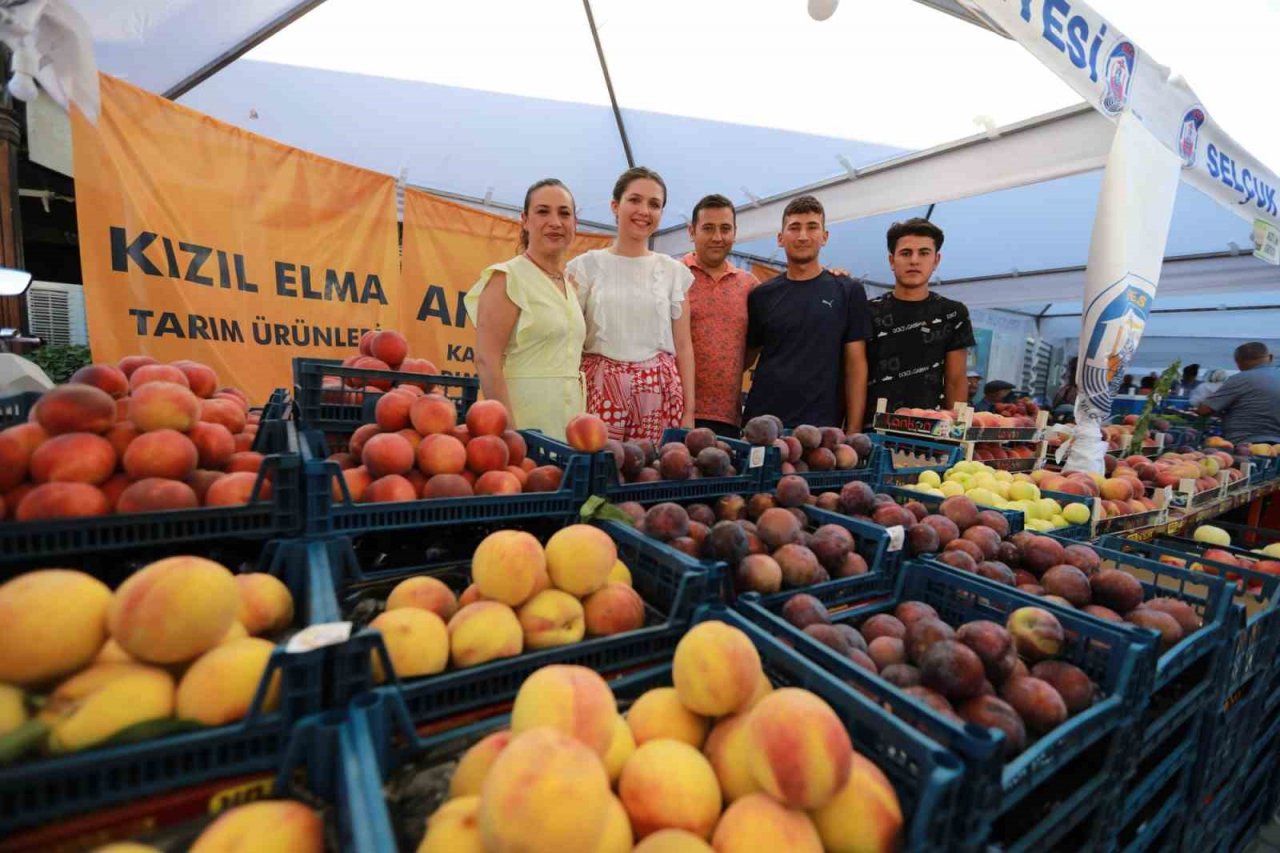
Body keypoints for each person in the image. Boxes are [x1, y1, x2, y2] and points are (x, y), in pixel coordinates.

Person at [567, 166, 695, 443]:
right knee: (598, 477)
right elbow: (571, 340)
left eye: (654, 204)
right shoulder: (584, 267)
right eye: (634, 200)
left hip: (659, 396)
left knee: (649, 478)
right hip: (597, 393)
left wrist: (689, 413)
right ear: (615, 205)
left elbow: (684, 345)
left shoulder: (674, 272)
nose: (644, 211)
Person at [465, 178, 586, 441]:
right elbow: (487, 360)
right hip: (523, 427)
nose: (555, 222)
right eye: (543, 211)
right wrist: (509, 435)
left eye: (564, 213)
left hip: (569, 427)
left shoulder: (570, 286)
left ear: (575, 223)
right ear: (525, 219)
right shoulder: (506, 278)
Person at [743, 195, 870, 428]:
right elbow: (743, 360)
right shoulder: (761, 295)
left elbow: (856, 367)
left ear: (825, 236)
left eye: (812, 227)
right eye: (794, 228)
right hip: (763, 425)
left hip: (821, 430)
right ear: (780, 238)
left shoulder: (848, 291)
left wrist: (853, 430)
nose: (803, 236)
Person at [865, 218, 973, 415]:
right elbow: (852, 375)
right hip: (870, 432)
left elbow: (956, 380)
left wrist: (955, 432)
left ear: (936, 260)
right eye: (906, 253)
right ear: (891, 260)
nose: (914, 260)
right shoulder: (867, 311)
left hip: (929, 432)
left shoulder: (953, 314)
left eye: (924, 253)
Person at [682, 194, 759, 437]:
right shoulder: (672, 275)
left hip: (728, 418)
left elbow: (753, 346)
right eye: (708, 228)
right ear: (692, 231)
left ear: (735, 232)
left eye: (725, 229)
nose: (717, 237)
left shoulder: (750, 286)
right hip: (676, 413)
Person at [1196, 342, 1280, 444]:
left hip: (1246, 443)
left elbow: (1204, 410)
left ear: (1238, 362)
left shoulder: (1240, 379)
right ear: (1270, 357)